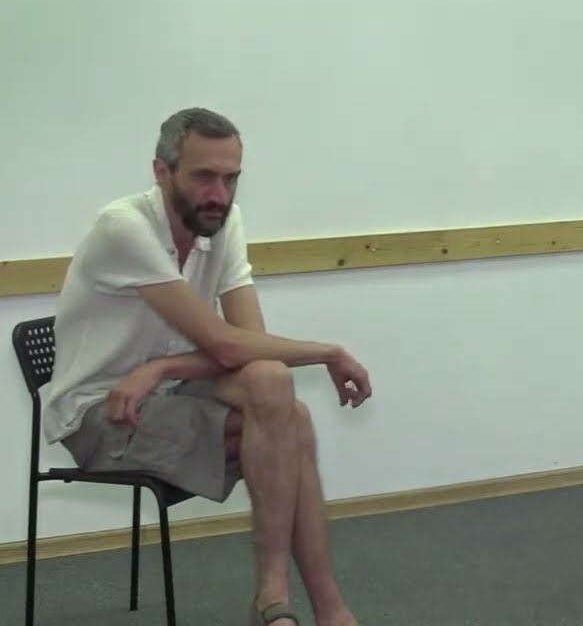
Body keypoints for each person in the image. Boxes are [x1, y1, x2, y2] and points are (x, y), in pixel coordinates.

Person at [40, 107, 368, 626]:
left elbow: (251, 347)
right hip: (102, 415)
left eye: (231, 178)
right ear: (162, 172)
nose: (219, 193)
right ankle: (304, 607)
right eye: (204, 177)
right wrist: (329, 352)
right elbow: (228, 346)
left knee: (271, 381)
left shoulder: (224, 222)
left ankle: (290, 601)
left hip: (167, 392)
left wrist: (159, 368)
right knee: (292, 423)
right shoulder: (124, 227)